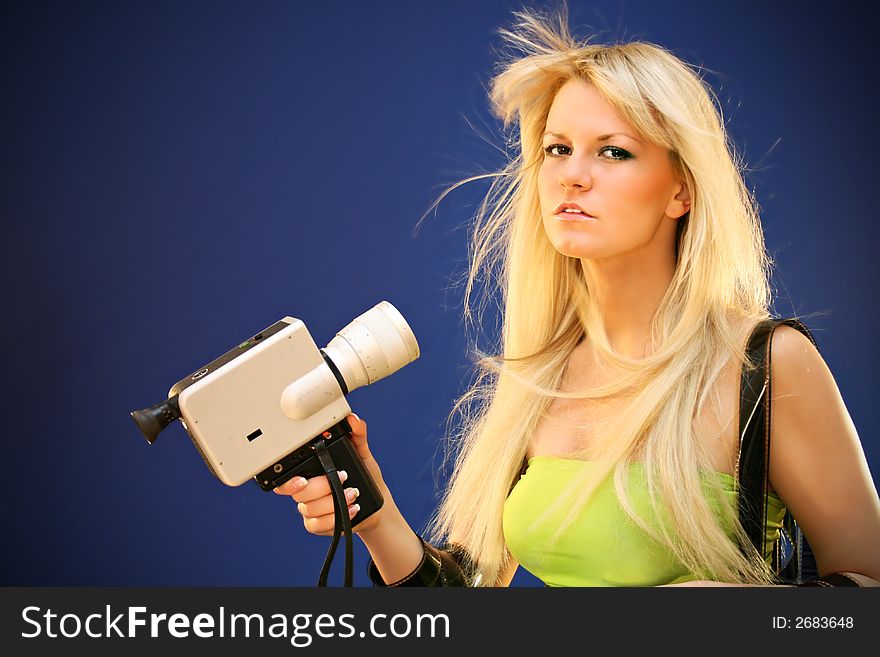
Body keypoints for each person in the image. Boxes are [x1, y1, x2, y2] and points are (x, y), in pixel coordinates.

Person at [274, 7, 880, 587]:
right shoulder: (543, 374)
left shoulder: (765, 365)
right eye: (557, 148)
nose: (572, 174)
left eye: (613, 151)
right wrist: (374, 514)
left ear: (681, 191)